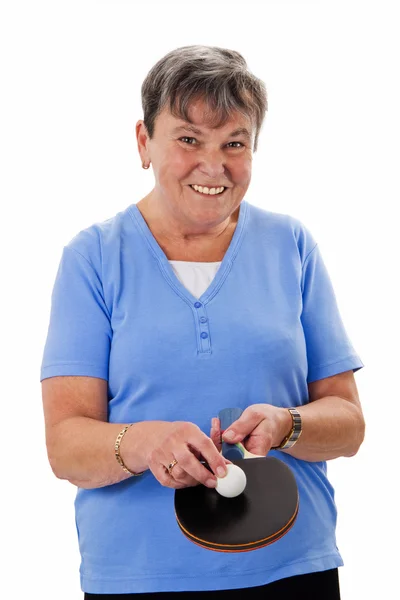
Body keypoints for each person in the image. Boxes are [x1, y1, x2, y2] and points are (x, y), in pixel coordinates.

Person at [40, 45, 365, 599]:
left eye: (234, 143)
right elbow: (65, 445)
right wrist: (142, 444)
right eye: (188, 139)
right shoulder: (93, 257)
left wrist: (288, 424)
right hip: (138, 577)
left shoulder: (292, 245)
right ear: (144, 143)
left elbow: (349, 422)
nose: (213, 166)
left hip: (292, 566)